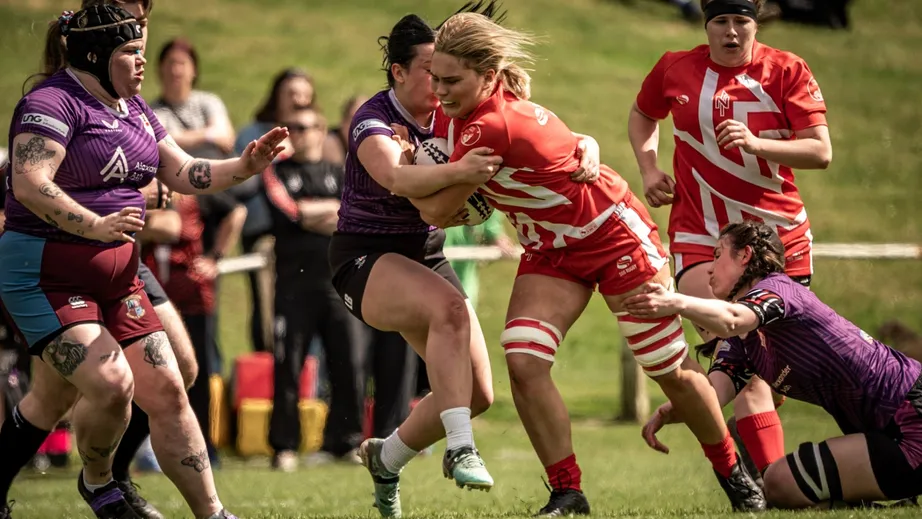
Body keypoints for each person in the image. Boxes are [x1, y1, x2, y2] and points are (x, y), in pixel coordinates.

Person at [421, 11, 766, 515]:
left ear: (489, 77)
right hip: (551, 246)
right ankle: (568, 492)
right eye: (435, 79)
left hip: (612, 237)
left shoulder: (488, 125)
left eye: (453, 81)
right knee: (523, 358)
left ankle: (733, 470)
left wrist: (400, 175)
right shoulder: (471, 115)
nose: (442, 91)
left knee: (667, 367)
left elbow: (435, 210)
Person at [0, 5, 285, 519]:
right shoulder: (51, 103)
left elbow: (184, 171)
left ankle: (213, 513)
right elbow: (29, 183)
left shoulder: (134, 109)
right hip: (46, 278)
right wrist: (94, 225)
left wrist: (245, 165)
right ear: (95, 55)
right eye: (131, 53)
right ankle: (103, 485)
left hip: (119, 279)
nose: (141, 65)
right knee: (112, 387)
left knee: (170, 386)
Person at [628, 0, 832, 486]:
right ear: (707, 25)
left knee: (766, 375)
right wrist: (649, 167)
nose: (732, 32)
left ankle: (755, 471)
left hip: (779, 241)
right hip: (702, 236)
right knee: (745, 357)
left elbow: (820, 151)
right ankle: (762, 484)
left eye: (741, 21)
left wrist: (760, 144)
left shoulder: (786, 70)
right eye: (721, 21)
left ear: (755, 23)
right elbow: (641, 114)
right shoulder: (675, 67)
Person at [626, 221, 922, 509]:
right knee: (780, 485)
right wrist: (674, 407)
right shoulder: (744, 341)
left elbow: (731, 318)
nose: (710, 268)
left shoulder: (780, 289)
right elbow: (713, 395)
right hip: (881, 433)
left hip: (912, 415)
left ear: (745, 255)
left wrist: (676, 302)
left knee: (778, 483)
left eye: (718, 255)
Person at [261, 104, 369, 471]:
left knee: (349, 364)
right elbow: (290, 212)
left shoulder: (341, 174)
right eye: (293, 127)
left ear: (322, 131)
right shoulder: (277, 172)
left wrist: (316, 214)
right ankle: (284, 446)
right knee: (288, 366)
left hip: (339, 287)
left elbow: (353, 218)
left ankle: (345, 442)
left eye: (307, 127)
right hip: (293, 289)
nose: (301, 133)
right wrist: (329, 213)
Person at [233, 68, 316, 353]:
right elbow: (236, 185)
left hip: (305, 231)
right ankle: (266, 366)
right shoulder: (254, 133)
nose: (299, 100)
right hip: (264, 233)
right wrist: (271, 160)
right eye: (292, 94)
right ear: (276, 97)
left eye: (305, 95)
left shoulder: (311, 133)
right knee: (267, 305)